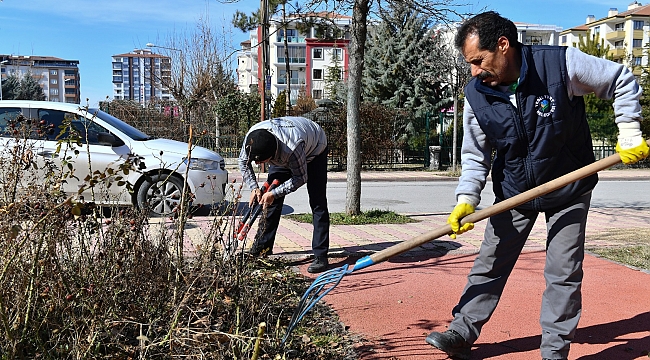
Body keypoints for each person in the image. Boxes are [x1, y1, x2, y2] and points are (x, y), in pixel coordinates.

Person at [425, 11, 649, 360]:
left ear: (503, 45)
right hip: (515, 191)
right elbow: (475, 154)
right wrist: (466, 198)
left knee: (563, 271)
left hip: (569, 187)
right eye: (469, 63)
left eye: (478, 61)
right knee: (491, 261)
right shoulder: (477, 93)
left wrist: (630, 131)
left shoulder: (560, 65)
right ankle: (462, 331)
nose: (474, 71)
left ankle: (554, 352)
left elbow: (620, 78)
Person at [238, 116, 330, 273]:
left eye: (262, 161)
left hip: (314, 150)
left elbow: (300, 178)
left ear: (272, 155)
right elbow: (243, 163)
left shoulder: (292, 148)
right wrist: (254, 187)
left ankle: (321, 255)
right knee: (270, 201)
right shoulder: (252, 139)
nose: (258, 165)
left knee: (317, 202)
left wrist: (275, 193)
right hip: (284, 149)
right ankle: (262, 248)